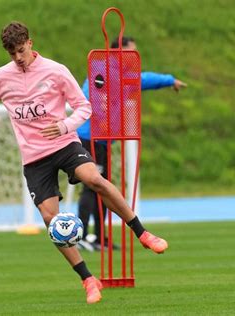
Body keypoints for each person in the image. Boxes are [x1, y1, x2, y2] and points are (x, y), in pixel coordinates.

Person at [0, 22, 168, 304]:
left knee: (94, 179)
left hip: (63, 144)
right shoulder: (2, 77)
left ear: (30, 42)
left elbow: (84, 107)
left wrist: (65, 127)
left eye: (20, 50)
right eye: (11, 53)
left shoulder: (55, 70)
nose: (17, 57)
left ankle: (142, 233)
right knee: (52, 220)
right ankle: (88, 279)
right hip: (34, 158)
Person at [77, 36, 187, 252]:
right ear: (119, 51)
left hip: (103, 139)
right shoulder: (101, 69)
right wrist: (103, 116)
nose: (134, 56)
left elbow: (143, 80)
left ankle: (99, 237)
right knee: (92, 188)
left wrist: (169, 80)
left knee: (104, 189)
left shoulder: (121, 74)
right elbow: (88, 98)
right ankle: (81, 236)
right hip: (91, 137)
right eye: (130, 52)